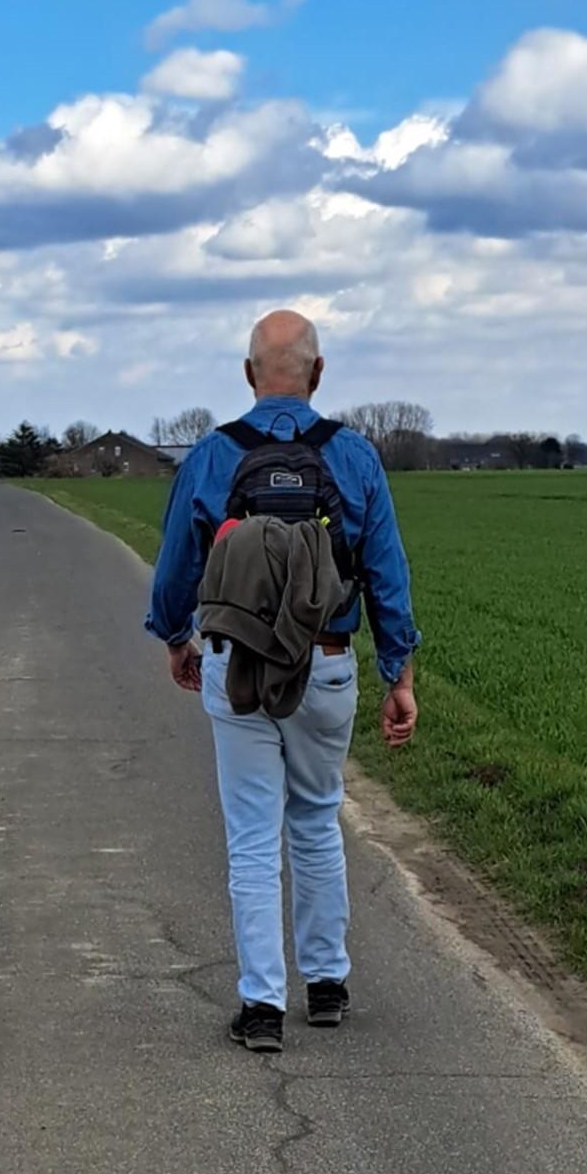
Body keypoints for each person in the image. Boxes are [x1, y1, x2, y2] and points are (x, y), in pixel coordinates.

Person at [148, 310, 419, 1054]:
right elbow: (388, 577)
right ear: (318, 373)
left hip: (235, 665)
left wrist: (176, 639)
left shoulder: (211, 456)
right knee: (315, 817)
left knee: (251, 837)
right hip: (326, 662)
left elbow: (176, 567)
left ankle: (261, 1005)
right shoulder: (355, 458)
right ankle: (326, 985)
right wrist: (399, 674)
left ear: (246, 375)